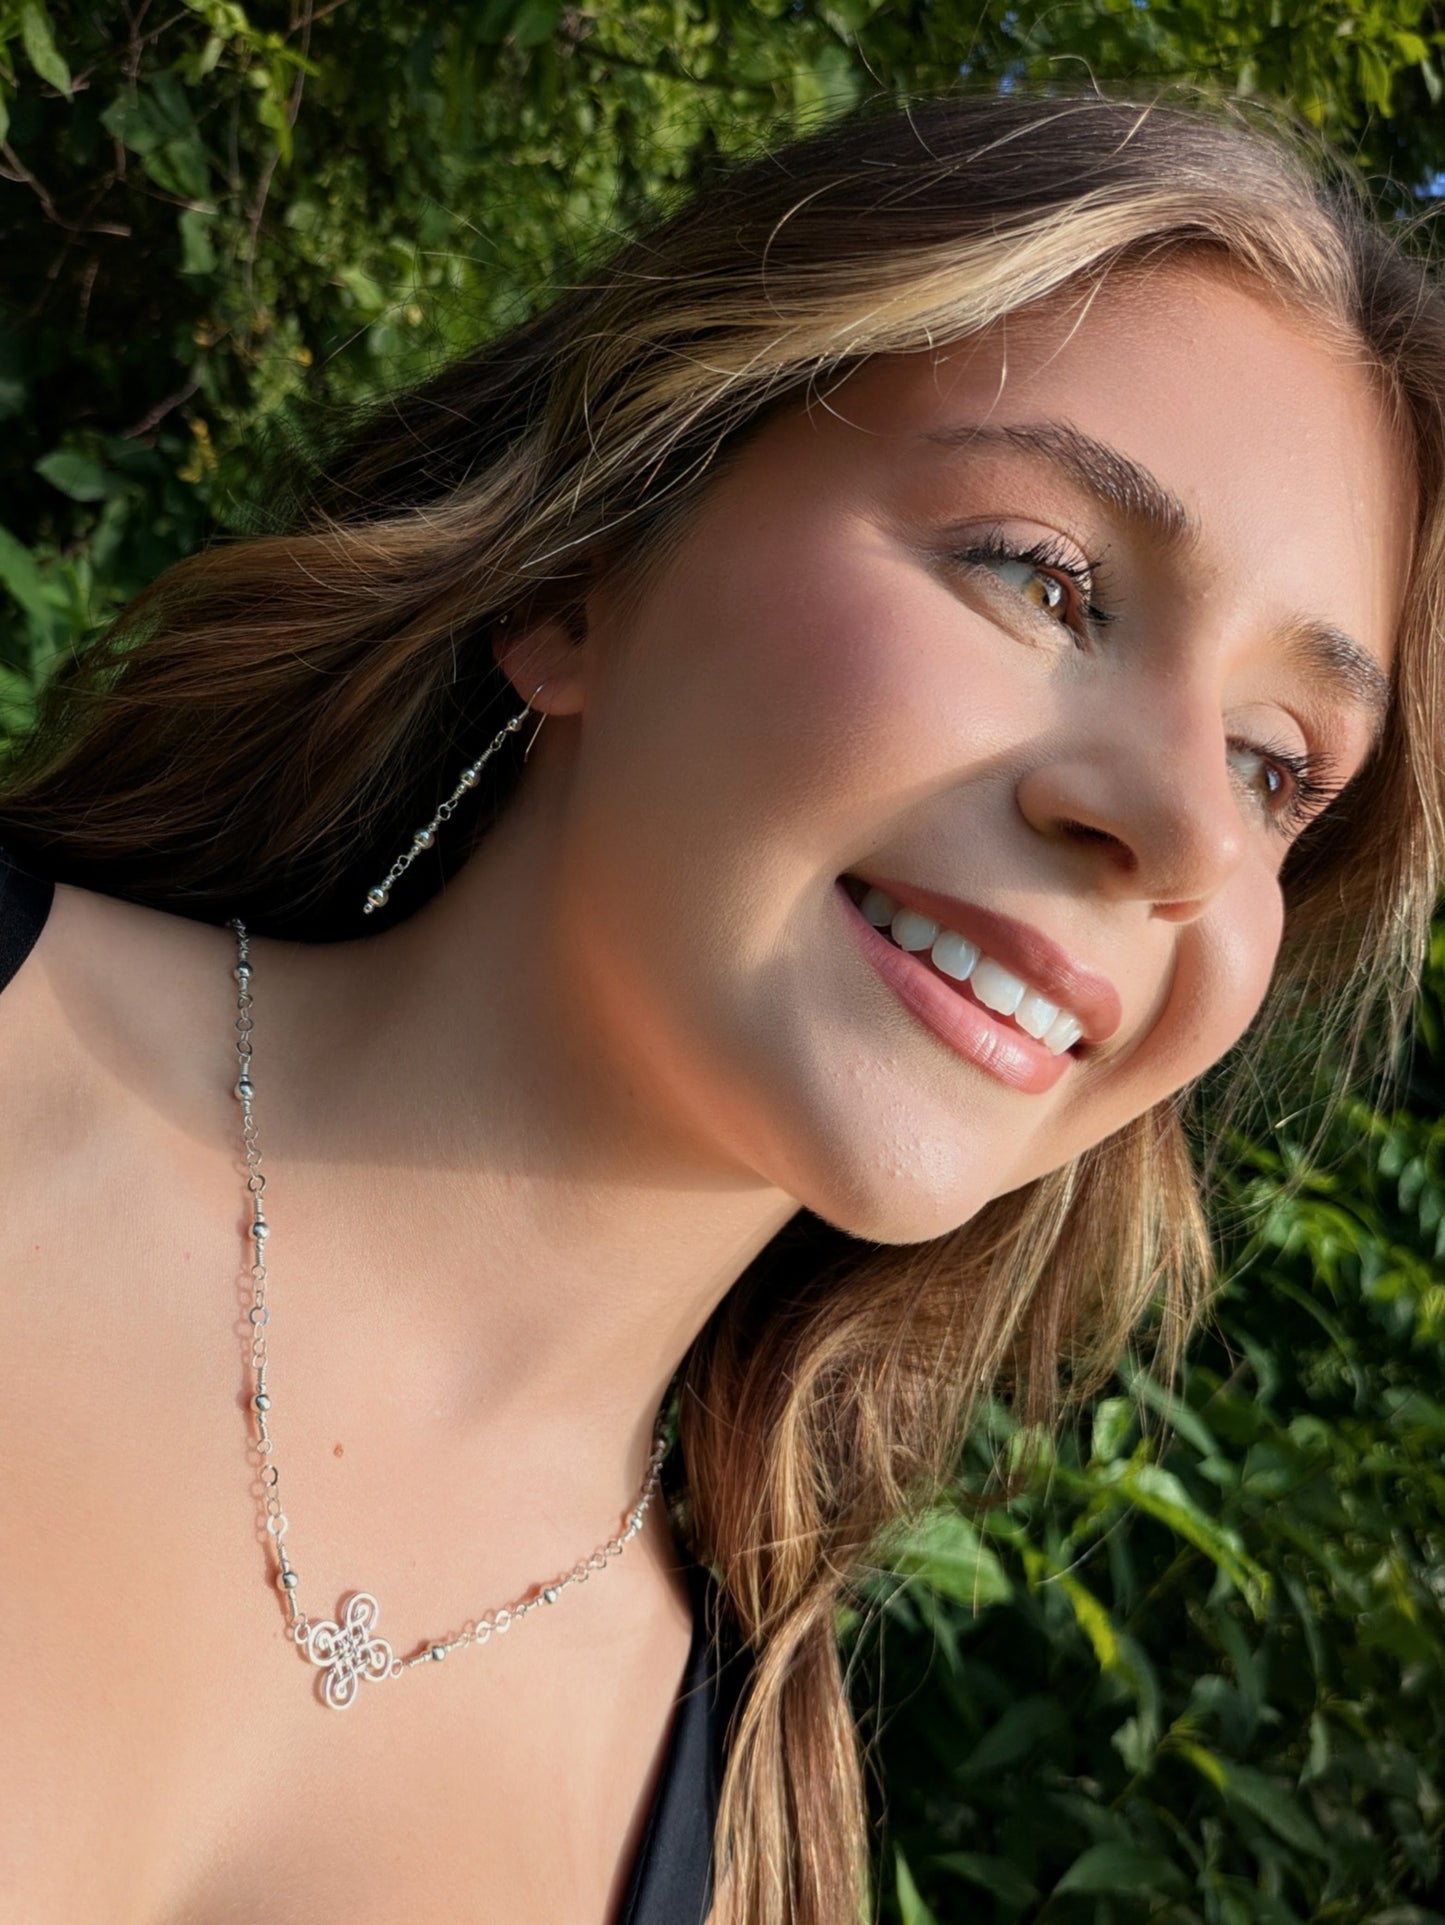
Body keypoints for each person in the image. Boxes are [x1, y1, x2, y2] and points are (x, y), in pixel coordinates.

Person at [0, 85, 1441, 1925]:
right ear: (586, 572)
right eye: (1041, 573)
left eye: (1270, 765)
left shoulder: (748, 1857)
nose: (1172, 825)